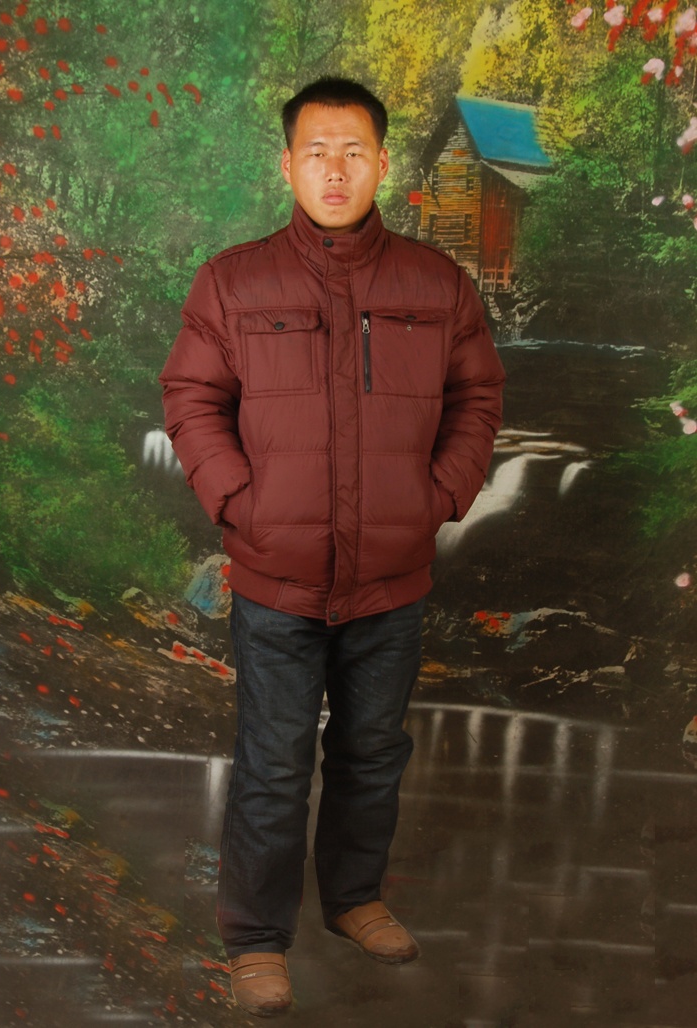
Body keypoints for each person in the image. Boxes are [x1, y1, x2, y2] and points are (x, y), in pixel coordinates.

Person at [160, 77, 505, 1017]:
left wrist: (439, 496)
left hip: (391, 580)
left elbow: (478, 396)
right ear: (288, 165)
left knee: (373, 752)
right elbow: (191, 397)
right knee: (274, 764)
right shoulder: (233, 281)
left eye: (354, 151)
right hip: (275, 578)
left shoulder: (437, 284)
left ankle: (353, 898)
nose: (336, 169)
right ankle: (256, 938)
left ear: (383, 162)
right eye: (317, 152)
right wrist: (240, 502)